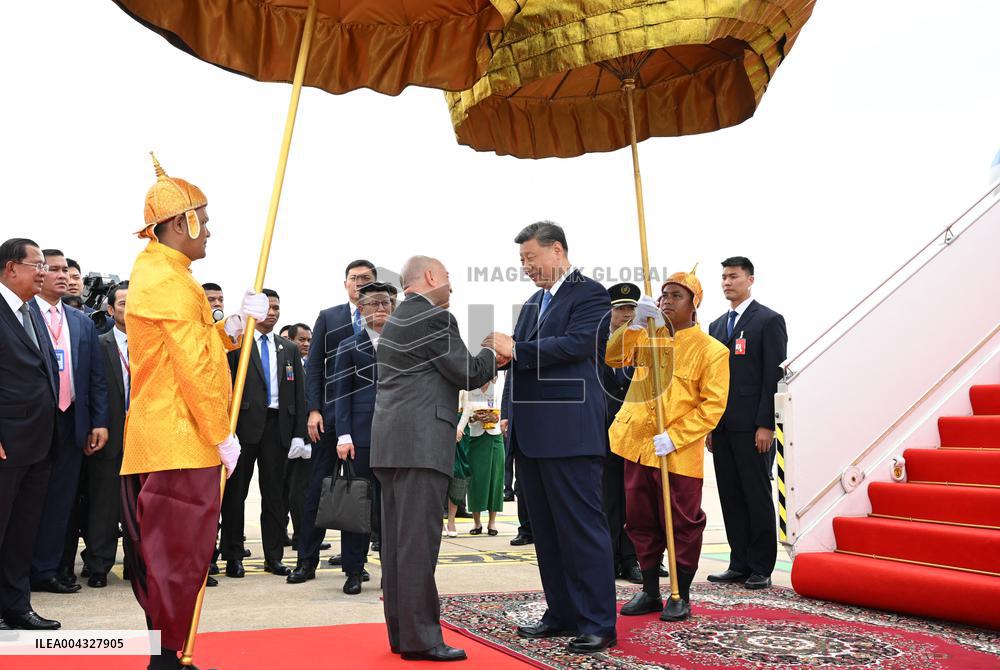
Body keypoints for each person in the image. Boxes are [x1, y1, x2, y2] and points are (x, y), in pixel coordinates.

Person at [119, 154, 269, 670]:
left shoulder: (168, 273)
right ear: (183, 222)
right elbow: (194, 369)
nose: (210, 230)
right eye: (204, 218)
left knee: (177, 557)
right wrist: (219, 431)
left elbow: (200, 346)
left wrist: (232, 328)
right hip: (178, 436)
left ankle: (169, 653)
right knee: (175, 558)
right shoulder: (167, 278)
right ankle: (164, 658)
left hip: (173, 435)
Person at [489, 222, 617, 654]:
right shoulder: (531, 304)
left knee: (582, 530)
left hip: (570, 434)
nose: (525, 267)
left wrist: (517, 351)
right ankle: (561, 612)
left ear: (557, 250)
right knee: (546, 533)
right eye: (521, 261)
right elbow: (520, 359)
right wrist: (501, 359)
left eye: (530, 258)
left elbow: (578, 345)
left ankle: (598, 620)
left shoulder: (590, 294)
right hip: (530, 436)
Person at [371, 255, 500, 662]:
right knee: (417, 546)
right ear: (429, 277)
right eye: (446, 276)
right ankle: (422, 638)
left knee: (397, 546)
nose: (451, 284)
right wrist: (494, 352)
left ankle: (403, 632)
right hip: (420, 445)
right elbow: (467, 373)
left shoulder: (398, 318)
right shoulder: (434, 318)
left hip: (394, 445)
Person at [607, 270, 729, 621]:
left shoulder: (712, 351)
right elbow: (614, 357)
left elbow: (712, 405)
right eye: (663, 295)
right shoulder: (649, 337)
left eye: (676, 295)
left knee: (683, 523)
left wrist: (676, 435)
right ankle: (649, 590)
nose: (667, 301)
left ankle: (681, 592)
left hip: (677, 452)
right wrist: (633, 326)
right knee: (640, 520)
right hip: (638, 445)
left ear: (694, 304)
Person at [288, 260, 377, 583]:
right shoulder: (331, 317)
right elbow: (313, 367)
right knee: (318, 489)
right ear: (345, 284)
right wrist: (313, 409)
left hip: (364, 421)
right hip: (327, 418)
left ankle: (356, 564)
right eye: (354, 279)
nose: (359, 284)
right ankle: (306, 561)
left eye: (366, 279)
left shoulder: (383, 321)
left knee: (360, 492)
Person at [29, 249, 108, 594]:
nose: (62, 275)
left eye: (66, 270)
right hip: (33, 423)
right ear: (40, 274)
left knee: (62, 501)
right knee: (26, 503)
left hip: (72, 420)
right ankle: (16, 575)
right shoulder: (23, 314)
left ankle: (47, 571)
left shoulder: (82, 322)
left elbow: (96, 378)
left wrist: (98, 422)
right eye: (54, 269)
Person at [707, 256, 787, 590]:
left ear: (750, 280)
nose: (727, 282)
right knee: (730, 495)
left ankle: (761, 566)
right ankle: (738, 562)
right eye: (724, 277)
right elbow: (710, 379)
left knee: (755, 495)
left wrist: (766, 424)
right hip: (722, 427)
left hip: (753, 427)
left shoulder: (767, 320)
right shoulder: (715, 326)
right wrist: (710, 425)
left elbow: (773, 376)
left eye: (734, 276)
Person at [221, 288, 306, 578]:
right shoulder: (238, 345)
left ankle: (274, 557)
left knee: (274, 496)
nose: (273, 312)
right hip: (243, 427)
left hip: (277, 427)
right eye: (268, 307)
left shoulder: (288, 348)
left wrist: (298, 434)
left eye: (277, 307)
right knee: (235, 495)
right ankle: (233, 555)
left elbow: (298, 394)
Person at [0, 238, 61, 631]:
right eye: (36, 264)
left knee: (22, 532)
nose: (43, 272)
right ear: (10, 269)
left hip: (39, 442)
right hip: (6, 443)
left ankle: (16, 607)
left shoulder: (32, 311)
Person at [334, 281, 396, 594]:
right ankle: (354, 571)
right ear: (361, 310)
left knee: (390, 509)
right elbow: (340, 396)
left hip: (394, 439)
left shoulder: (402, 345)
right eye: (374, 304)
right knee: (357, 508)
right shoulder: (348, 346)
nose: (381, 309)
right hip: (359, 439)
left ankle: (391, 574)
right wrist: (343, 436)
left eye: (386, 303)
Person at [84, 280, 130, 588]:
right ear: (111, 310)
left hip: (146, 439)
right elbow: (90, 391)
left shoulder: (154, 345)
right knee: (103, 505)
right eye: (125, 303)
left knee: (139, 510)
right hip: (109, 436)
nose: (133, 307)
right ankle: (99, 565)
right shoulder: (98, 344)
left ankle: (137, 566)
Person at [600, 282, 642, 584]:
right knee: (606, 498)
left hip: (632, 431)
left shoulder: (642, 344)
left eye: (631, 309)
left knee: (632, 499)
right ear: (609, 312)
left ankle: (631, 559)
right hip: (600, 430)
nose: (626, 314)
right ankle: (608, 557)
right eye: (620, 309)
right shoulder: (594, 342)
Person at [457, 379, 505, 536]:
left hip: (495, 436)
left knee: (495, 479)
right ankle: (477, 522)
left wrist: (497, 418)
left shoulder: (499, 386)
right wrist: (475, 418)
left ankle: (492, 522)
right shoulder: (471, 387)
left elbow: (504, 409)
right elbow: (467, 415)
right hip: (476, 437)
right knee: (476, 480)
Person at [282, 322, 313, 548]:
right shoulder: (287, 366)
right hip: (288, 436)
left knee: (303, 489)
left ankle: (304, 534)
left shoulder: (310, 366)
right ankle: (294, 534)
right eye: (302, 340)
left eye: (309, 340)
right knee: (288, 490)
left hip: (308, 438)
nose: (306, 344)